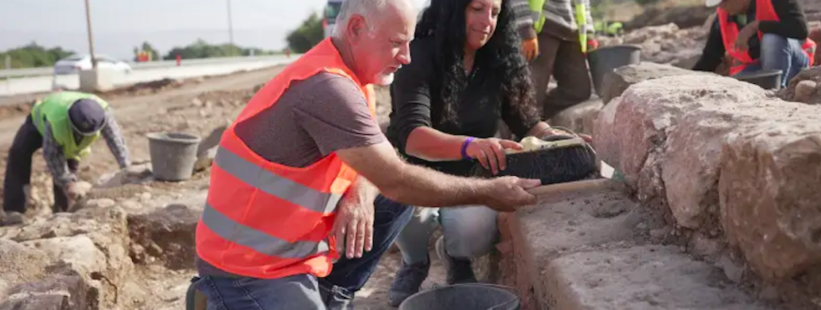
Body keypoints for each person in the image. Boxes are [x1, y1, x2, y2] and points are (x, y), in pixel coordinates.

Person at [188, 0, 542, 309]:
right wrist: (490, 192)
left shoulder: (354, 76)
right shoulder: (328, 88)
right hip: (249, 266)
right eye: (397, 43)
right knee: (399, 188)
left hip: (295, 248)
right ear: (357, 28)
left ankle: (332, 291)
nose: (406, 56)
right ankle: (218, 298)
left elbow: (383, 157)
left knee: (389, 199)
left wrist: (359, 189)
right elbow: (397, 178)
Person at [383, 0, 590, 306]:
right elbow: (413, 138)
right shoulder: (418, 55)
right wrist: (472, 145)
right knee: (392, 203)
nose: (487, 21)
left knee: (473, 229)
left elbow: (528, 123)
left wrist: (557, 139)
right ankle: (414, 262)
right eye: (477, 8)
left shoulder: (497, 60)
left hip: (470, 177)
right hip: (413, 172)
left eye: (494, 12)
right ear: (452, 8)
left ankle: (457, 258)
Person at [2, 91, 131, 223]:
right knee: (19, 153)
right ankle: (14, 210)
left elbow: (116, 140)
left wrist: (126, 167)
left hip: (69, 140)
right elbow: (51, 155)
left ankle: (62, 214)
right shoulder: (56, 121)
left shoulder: (103, 113)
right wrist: (67, 182)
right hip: (38, 122)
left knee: (69, 172)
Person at [693, 0, 816, 88]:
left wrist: (756, 26)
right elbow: (710, 58)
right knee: (735, 86)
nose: (722, 7)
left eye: (725, 1)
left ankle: (776, 91)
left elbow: (801, 29)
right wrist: (689, 78)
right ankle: (768, 90)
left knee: (771, 38)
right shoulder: (722, 18)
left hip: (793, 65)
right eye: (720, 3)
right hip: (756, 69)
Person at [513, 0, 595, 119]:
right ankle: (522, 127)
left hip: (571, 29)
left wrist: (588, 31)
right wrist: (525, 27)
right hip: (541, 26)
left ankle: (528, 120)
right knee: (533, 94)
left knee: (578, 90)